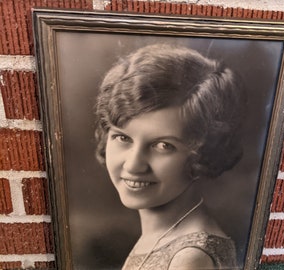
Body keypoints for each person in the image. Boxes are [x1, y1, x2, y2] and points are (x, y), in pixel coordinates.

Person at [95, 43, 245, 270]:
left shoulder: (189, 259)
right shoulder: (163, 234)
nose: (134, 164)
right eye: (123, 138)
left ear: (202, 154)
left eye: (163, 145)